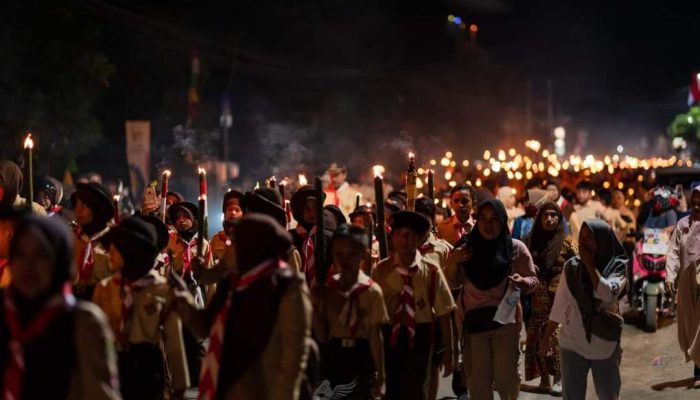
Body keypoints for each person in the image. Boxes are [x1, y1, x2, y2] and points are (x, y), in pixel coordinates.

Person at [173, 214, 312, 400]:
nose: (232, 249)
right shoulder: (233, 282)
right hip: (229, 381)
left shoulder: (286, 284)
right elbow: (205, 326)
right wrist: (183, 301)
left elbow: (295, 348)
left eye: (237, 243)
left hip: (267, 386)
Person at [0, 213, 120, 399]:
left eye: (41, 255)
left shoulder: (82, 322)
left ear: (59, 261)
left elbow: (99, 393)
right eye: (20, 254)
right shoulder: (4, 311)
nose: (28, 267)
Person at [445, 199, 537, 400]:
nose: (488, 224)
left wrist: (522, 281)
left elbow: (533, 282)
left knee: (507, 380)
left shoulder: (516, 248)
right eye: (483, 218)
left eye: (494, 219)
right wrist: (453, 261)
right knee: (478, 382)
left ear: (503, 221)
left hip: (505, 324)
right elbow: (452, 282)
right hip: (474, 325)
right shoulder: (466, 247)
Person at [93, 217, 189, 399]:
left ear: (132, 252)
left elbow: (174, 342)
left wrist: (180, 385)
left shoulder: (160, 289)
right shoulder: (105, 288)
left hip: (147, 368)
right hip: (114, 365)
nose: (109, 253)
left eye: (116, 248)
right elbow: (95, 338)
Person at [372, 211, 456, 400]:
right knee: (392, 388)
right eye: (399, 234)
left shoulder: (431, 271)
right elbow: (373, 312)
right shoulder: (381, 270)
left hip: (420, 334)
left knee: (417, 388)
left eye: (410, 235)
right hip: (389, 333)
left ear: (419, 239)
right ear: (392, 238)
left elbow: (444, 311)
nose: (404, 240)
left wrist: (449, 351)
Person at [543, 220, 627, 400]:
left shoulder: (617, 267)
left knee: (608, 395)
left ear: (603, 241)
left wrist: (589, 264)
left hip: (604, 344)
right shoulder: (571, 267)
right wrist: (546, 336)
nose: (584, 241)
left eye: (591, 237)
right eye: (582, 236)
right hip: (571, 343)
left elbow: (606, 293)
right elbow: (560, 303)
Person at [312, 225, 388, 399]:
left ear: (364, 254)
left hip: (361, 355)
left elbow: (375, 336)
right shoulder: (328, 290)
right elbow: (322, 335)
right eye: (339, 254)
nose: (345, 260)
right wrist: (317, 307)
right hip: (334, 355)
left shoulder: (371, 291)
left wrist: (381, 375)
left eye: (352, 254)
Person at [523, 201, 577, 396]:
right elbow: (521, 263)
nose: (549, 219)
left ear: (559, 218)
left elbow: (578, 266)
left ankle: (559, 379)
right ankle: (544, 379)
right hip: (537, 298)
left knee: (556, 338)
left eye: (553, 215)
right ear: (539, 218)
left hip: (559, 298)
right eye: (545, 215)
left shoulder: (567, 242)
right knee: (537, 338)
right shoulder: (529, 240)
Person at [666, 186, 700, 386]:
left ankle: (699, 370)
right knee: (689, 324)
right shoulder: (682, 225)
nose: (696, 206)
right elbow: (673, 252)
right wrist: (670, 277)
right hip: (687, 283)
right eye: (694, 202)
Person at [71, 182, 115, 300]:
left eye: (84, 205)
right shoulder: (71, 237)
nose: (77, 210)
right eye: (76, 205)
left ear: (98, 208)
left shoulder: (114, 241)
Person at [209, 190, 244, 263]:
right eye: (229, 209)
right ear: (224, 213)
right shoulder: (216, 239)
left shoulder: (247, 236)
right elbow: (210, 264)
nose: (233, 213)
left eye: (237, 210)